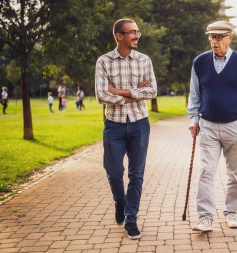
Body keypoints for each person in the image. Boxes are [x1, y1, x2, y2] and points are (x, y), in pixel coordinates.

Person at [188, 21, 237, 232]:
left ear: (229, 38)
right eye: (211, 37)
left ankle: (231, 212)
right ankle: (205, 217)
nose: (214, 41)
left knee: (234, 173)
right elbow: (195, 93)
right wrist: (194, 119)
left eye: (219, 37)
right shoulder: (200, 62)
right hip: (208, 125)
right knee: (206, 171)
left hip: (235, 126)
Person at [95, 18, 157, 240]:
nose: (137, 35)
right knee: (113, 171)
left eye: (138, 32)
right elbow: (102, 95)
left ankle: (131, 219)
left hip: (140, 123)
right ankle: (120, 202)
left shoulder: (144, 60)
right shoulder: (103, 61)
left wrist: (120, 92)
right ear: (119, 36)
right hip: (114, 125)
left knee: (136, 174)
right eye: (132, 32)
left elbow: (152, 91)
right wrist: (134, 94)